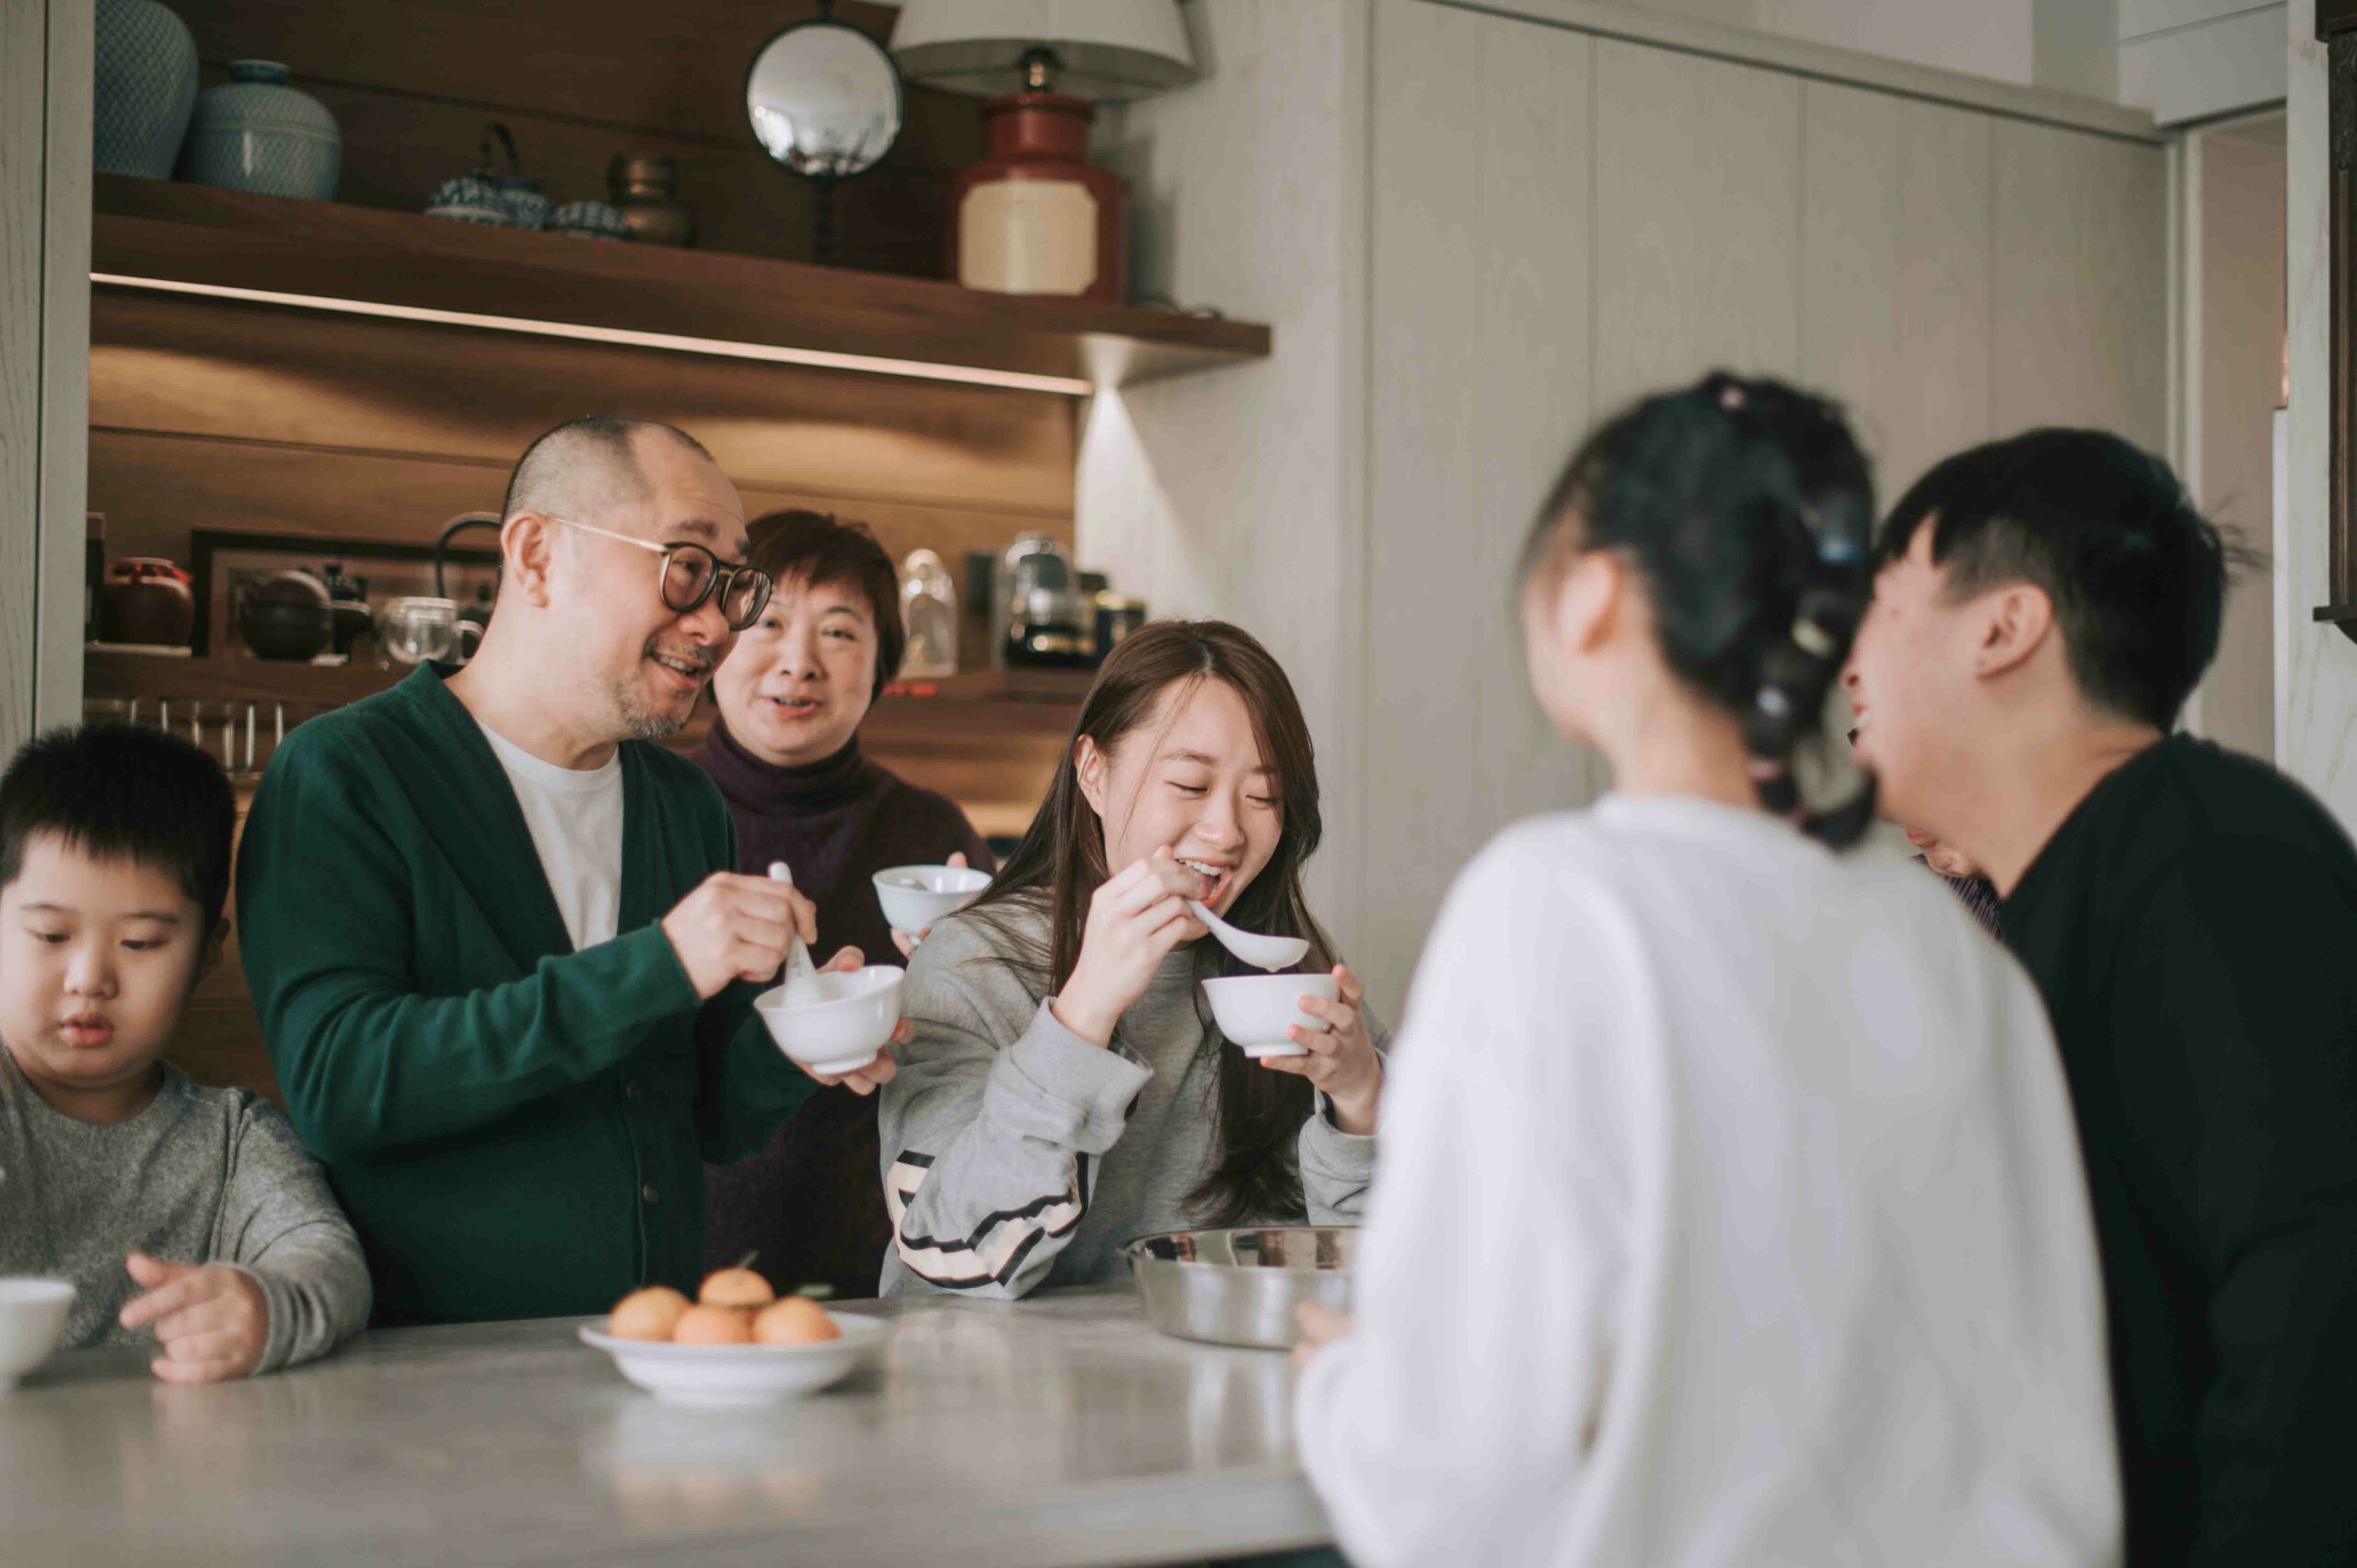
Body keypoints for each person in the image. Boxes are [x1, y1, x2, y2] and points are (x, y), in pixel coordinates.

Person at [1295, 375, 2119, 1566]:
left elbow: (1457, 1490)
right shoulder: (1947, 939)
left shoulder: (1555, 906)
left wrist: (1345, 1389)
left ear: (1591, 596)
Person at [238, 416, 900, 1327]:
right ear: (538, 555)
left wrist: (798, 1042)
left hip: (653, 1349)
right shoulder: (347, 773)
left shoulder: (683, 803)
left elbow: (704, 1121)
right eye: (686, 567)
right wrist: (659, 963)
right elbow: (340, 1088)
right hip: (426, 1375)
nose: (715, 623)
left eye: (732, 585)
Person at [1843, 426, 2357, 1565]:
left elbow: (2313, 1300)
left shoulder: (2214, 858)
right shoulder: (2046, 914)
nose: (1845, 662)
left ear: (2004, 627)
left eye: (1880, 606)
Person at [877, 620, 1385, 1297]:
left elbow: (1396, 1264)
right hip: (990, 1367)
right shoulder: (971, 964)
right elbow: (952, 1251)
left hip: (1220, 1358)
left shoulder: (1287, 972)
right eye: (1191, 785)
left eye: (1263, 797)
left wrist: (1362, 1099)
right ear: (1094, 773)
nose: (1227, 831)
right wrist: (1084, 1012)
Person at [0, 725, 369, 1378]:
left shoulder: (231, 1141)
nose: (89, 979)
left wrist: (265, 1308)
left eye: (140, 943)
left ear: (204, 956)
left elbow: (329, 1259)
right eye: (51, 934)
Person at [697, 510, 991, 1301]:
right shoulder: (648, 811)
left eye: (837, 632)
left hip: (891, 1270)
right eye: (769, 623)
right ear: (714, 638)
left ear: (882, 666)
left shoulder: (933, 835)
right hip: (682, 1273)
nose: (798, 662)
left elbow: (990, 1062)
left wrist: (974, 969)